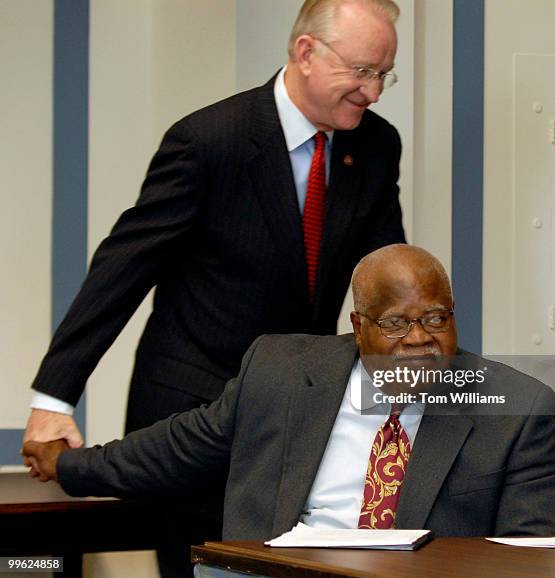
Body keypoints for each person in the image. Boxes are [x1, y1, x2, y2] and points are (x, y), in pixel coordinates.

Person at [24, 245, 555, 566]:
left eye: (436, 318)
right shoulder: (281, 370)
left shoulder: (515, 407)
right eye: (395, 323)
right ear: (357, 328)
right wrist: (68, 464)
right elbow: (179, 446)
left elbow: (534, 557)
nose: (420, 340)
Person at [24, 0, 404, 447]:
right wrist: (53, 398)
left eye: (383, 74)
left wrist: (412, 381)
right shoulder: (209, 140)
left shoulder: (376, 145)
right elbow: (123, 268)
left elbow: (387, 278)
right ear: (306, 53)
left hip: (294, 409)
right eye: (361, 71)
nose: (373, 92)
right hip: (187, 409)